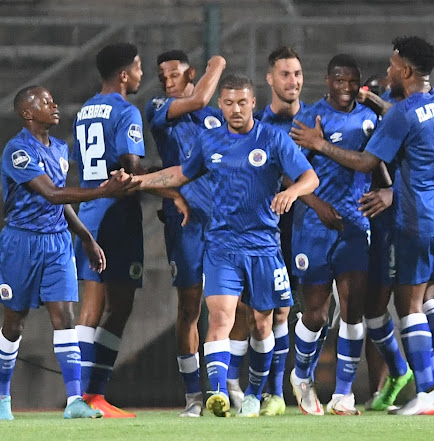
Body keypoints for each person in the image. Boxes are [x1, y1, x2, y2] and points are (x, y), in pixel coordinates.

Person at [122, 73, 318, 418]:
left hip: (262, 247)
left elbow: (310, 177)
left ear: (253, 102)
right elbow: (181, 174)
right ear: (221, 105)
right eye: (227, 103)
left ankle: (255, 394)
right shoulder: (209, 140)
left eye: (242, 102)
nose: (235, 109)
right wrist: (137, 181)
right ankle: (217, 393)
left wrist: (291, 191)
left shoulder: (272, 138)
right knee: (220, 317)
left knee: (261, 323)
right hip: (221, 246)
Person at [292, 36, 434, 416]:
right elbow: (414, 125)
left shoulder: (399, 115)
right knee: (429, 299)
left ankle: (426, 392)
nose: (387, 70)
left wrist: (320, 145)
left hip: (419, 219)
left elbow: (365, 163)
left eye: (392, 65)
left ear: (405, 70)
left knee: (408, 307)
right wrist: (379, 104)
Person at [0, 85, 138, 420]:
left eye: (53, 99)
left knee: (65, 319)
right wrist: (104, 190)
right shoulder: (18, 151)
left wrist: (86, 237)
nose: (54, 104)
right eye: (44, 102)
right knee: (14, 323)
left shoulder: (59, 148)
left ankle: (74, 402)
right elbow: (53, 194)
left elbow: (62, 202)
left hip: (57, 243)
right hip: (21, 243)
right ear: (28, 113)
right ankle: (1, 397)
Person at [71, 42, 189, 418]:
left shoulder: (84, 110)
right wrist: (173, 194)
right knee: (119, 305)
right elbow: (132, 168)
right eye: (138, 68)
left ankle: (79, 397)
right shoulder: (126, 111)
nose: (143, 75)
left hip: (89, 209)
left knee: (92, 305)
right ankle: (93, 394)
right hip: (116, 214)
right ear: (124, 74)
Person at [288, 54, 378, 416]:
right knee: (316, 313)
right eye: (338, 80)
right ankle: (301, 376)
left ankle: (343, 393)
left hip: (354, 223)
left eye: (351, 81)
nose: (345, 87)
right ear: (326, 81)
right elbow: (288, 174)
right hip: (313, 225)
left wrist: (386, 193)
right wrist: (317, 205)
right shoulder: (307, 119)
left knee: (353, 310)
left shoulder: (370, 119)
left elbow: (378, 164)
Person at [224, 45, 307, 417]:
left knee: (285, 311)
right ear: (270, 80)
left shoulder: (315, 119)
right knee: (252, 312)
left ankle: (276, 392)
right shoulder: (257, 126)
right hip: (264, 230)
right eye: (285, 74)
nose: (293, 81)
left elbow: (312, 176)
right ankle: (236, 387)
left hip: (308, 229)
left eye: (298, 74)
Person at [144, 49, 226, 417]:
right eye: (162, 75)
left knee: (231, 306)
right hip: (185, 222)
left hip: (223, 219)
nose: (166, 80)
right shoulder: (159, 108)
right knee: (189, 307)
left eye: (173, 73)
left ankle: (229, 389)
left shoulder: (217, 116)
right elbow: (200, 96)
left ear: (189, 71)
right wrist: (218, 65)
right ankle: (193, 395)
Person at [356, 76, 415, 412]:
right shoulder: (365, 126)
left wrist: (394, 193)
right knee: (367, 312)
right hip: (366, 225)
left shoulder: (407, 124)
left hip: (401, 225)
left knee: (411, 307)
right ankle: (378, 389)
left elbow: (427, 172)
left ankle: (429, 384)